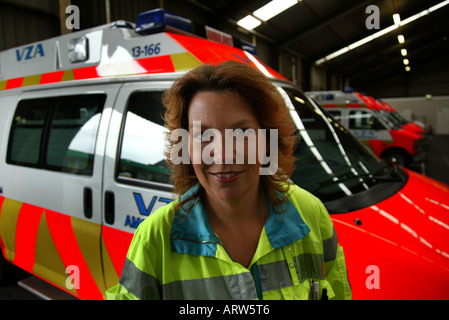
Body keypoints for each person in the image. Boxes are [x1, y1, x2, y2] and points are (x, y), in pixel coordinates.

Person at [106, 61, 352, 300]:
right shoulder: (155, 239)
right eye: (203, 135)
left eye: (242, 132)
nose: (222, 154)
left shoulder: (311, 215)